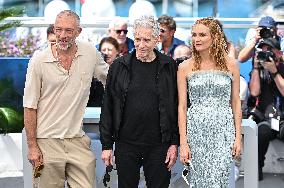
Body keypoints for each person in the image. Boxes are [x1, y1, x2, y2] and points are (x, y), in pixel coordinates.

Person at [23, 10, 109, 187]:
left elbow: (112, 81)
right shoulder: (38, 60)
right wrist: (32, 146)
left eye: (68, 31)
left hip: (77, 140)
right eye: (58, 29)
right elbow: (29, 106)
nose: (62, 35)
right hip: (46, 142)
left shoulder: (90, 53)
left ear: (79, 32)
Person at [100, 15, 179, 188]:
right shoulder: (119, 66)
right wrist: (107, 145)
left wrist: (174, 143)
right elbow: (108, 107)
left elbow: (175, 106)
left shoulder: (169, 66)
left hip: (160, 145)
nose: (141, 45)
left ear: (157, 40)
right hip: (126, 143)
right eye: (137, 39)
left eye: (146, 40)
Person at [177, 17, 242, 187]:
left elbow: (235, 102)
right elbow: (182, 107)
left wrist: (237, 138)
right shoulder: (184, 67)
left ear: (214, 36)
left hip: (223, 131)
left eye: (202, 35)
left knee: (218, 181)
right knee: (199, 181)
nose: (196, 39)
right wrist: (183, 143)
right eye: (194, 35)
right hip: (196, 131)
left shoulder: (232, 64)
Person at [248, 38, 284, 180]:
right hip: (267, 119)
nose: (265, 53)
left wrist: (274, 72)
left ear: (278, 53)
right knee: (262, 131)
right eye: (262, 50)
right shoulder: (258, 70)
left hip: (282, 119)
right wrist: (257, 68)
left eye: (269, 50)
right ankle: (257, 168)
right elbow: (255, 92)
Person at [87, 37, 119, 107]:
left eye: (110, 50)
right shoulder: (93, 70)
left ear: (117, 51)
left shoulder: (122, 70)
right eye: (104, 50)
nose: (106, 53)